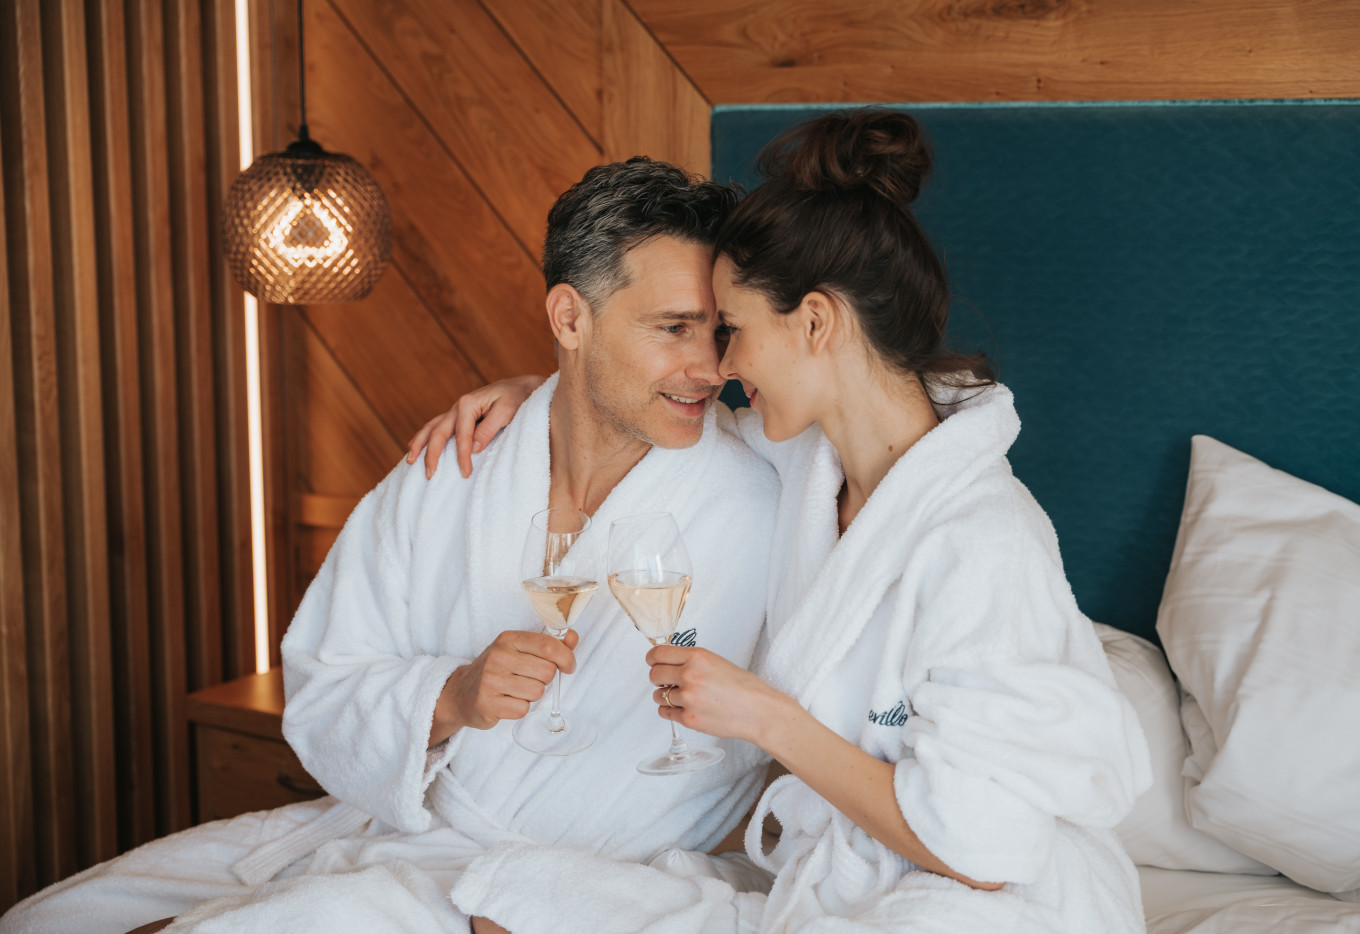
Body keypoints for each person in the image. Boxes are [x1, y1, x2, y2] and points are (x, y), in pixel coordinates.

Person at [405, 110, 1152, 933]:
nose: (720, 366)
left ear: (817, 322)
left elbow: (982, 849)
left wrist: (763, 717)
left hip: (983, 901)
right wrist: (545, 391)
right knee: (513, 905)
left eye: (733, 330)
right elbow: (665, 416)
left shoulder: (985, 542)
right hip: (840, 871)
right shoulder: (809, 467)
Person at [0, 158, 780, 934]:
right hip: (407, 836)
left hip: (579, 888)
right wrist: (452, 696)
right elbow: (324, 683)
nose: (710, 368)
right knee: (57, 919)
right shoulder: (455, 470)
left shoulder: (769, 490)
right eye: (674, 328)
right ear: (570, 319)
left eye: (720, 331)